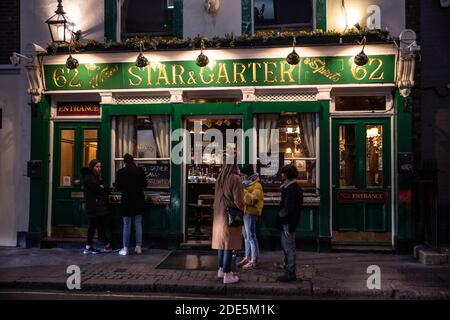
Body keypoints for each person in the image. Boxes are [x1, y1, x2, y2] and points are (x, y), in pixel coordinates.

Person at [212, 164, 244, 284]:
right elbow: (239, 200)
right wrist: (242, 209)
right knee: (229, 246)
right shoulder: (235, 178)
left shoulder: (220, 178)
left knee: (222, 245)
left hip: (219, 215)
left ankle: (221, 270)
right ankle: (227, 274)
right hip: (230, 215)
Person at [115, 154, 148, 256]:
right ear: (133, 161)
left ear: (124, 162)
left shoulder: (120, 172)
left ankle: (125, 248)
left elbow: (118, 187)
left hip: (126, 200)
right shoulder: (140, 170)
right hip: (138, 200)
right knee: (138, 223)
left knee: (126, 224)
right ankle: (138, 247)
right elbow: (145, 184)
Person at [276, 164, 303, 282]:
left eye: (283, 173)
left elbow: (288, 208)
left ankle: (290, 272)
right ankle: (288, 268)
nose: (281, 174)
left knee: (289, 247)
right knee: (287, 246)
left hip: (288, 222)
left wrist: (281, 216)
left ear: (287, 175)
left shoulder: (291, 189)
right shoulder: (292, 187)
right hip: (290, 221)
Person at [81, 159, 113, 254]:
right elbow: (99, 189)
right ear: (92, 167)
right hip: (94, 206)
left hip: (97, 205)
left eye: (100, 167)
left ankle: (91, 246)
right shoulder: (89, 178)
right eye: (97, 166)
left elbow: (103, 188)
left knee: (97, 225)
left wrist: (102, 187)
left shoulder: (96, 177)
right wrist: (102, 187)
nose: (99, 168)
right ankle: (102, 245)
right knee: (96, 226)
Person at [237, 164, 264, 270]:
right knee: (246, 236)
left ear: (248, 175)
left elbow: (252, 200)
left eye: (243, 175)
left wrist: (243, 191)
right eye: (241, 175)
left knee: (251, 236)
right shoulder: (245, 184)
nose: (242, 177)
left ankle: (254, 260)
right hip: (244, 212)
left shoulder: (257, 185)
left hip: (251, 213)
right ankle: (247, 257)